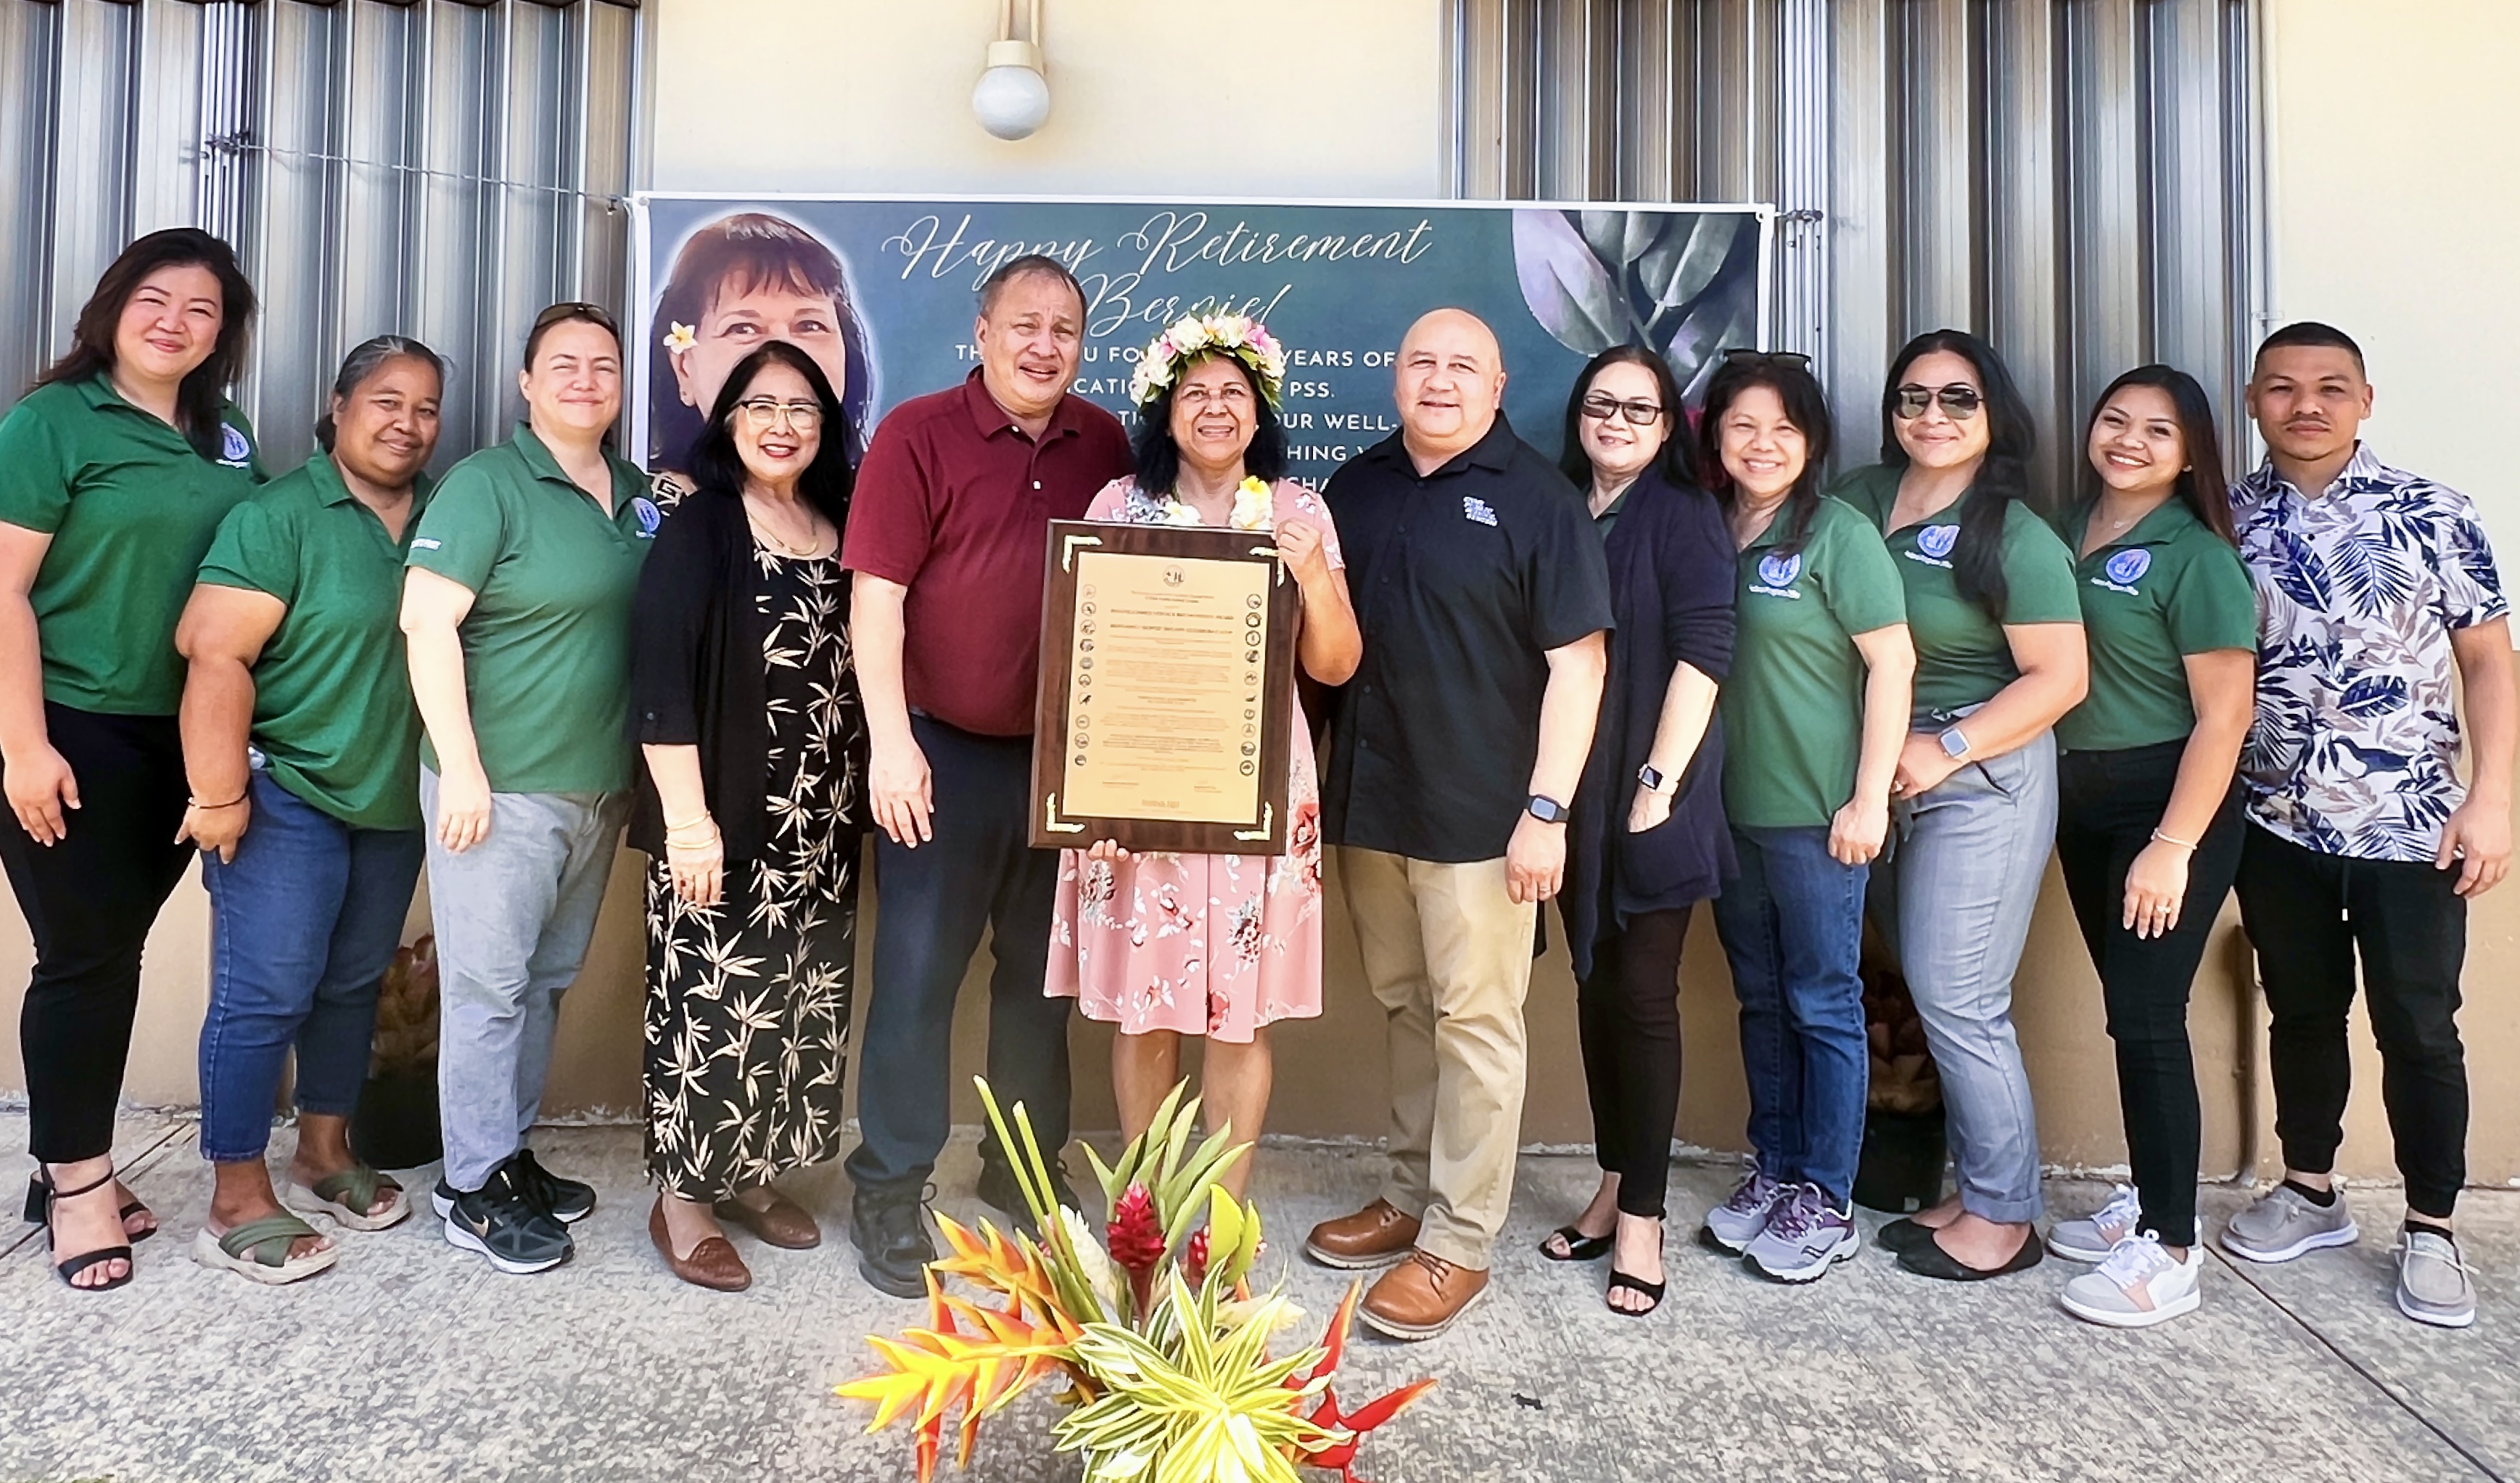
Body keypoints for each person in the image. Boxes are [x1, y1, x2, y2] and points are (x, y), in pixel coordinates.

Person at [1302, 308, 1612, 1342]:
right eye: (1419, 361)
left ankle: (1458, 1242)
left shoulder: (1539, 502)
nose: (1437, 380)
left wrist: (1545, 812)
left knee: (1478, 1027)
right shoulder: (1354, 490)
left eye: (1460, 366)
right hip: (1371, 804)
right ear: (1394, 377)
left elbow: (1580, 667)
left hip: (1485, 818)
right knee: (1403, 1006)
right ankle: (1404, 1197)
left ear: (1496, 382)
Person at [839, 254, 1132, 1297]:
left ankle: (1017, 1168)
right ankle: (887, 1184)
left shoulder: (1106, 441)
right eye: (1024, 324)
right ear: (982, 330)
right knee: (917, 981)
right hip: (938, 755)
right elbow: (875, 601)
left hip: (1061, 765)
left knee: (1038, 987)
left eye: (1063, 328)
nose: (1042, 345)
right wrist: (892, 744)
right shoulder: (916, 435)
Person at [2221, 321, 2513, 1331]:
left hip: (2410, 824)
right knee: (2300, 1013)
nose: (2306, 405)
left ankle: (2431, 1226)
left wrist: (2492, 798)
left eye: (2329, 387)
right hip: (2275, 820)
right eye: (2283, 388)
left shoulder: (2432, 510)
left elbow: (2486, 660)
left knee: (2418, 1028)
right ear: (2252, 400)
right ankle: (2308, 1188)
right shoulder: (2221, 516)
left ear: (2364, 400)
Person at [1045, 314, 1360, 1202]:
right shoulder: (1117, 508)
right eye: (1196, 392)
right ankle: (1143, 1216)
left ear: (1259, 412)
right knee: (1147, 1012)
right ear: (1164, 410)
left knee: (1238, 1017)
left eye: (1234, 392)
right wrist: (1092, 802)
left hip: (1258, 788)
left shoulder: (1299, 512)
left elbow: (1334, 664)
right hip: (1141, 786)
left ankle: (1219, 1220)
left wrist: (1312, 577)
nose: (1216, 408)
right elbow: (1081, 664)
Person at [0, 228, 263, 1291]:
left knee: (111, 953)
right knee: (85, 957)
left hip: (185, 735)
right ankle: (75, 1188)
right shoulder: (51, 422)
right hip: (76, 728)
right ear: (111, 306)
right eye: (155, 299)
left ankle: (64, 1156)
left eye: (201, 309)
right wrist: (22, 745)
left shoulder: (226, 432)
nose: (175, 322)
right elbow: (4, 590)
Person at [175, 336, 445, 1285]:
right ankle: (235, 1197)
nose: (405, 423)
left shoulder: (444, 522)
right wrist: (217, 795)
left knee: (350, 983)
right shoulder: (283, 514)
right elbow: (213, 651)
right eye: (385, 400)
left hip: (390, 800)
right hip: (285, 792)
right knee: (265, 993)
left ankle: (324, 1152)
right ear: (337, 409)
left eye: (424, 407)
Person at [401, 302, 659, 1275]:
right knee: (486, 988)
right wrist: (460, 765)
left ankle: (506, 1154)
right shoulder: (487, 486)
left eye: (604, 363)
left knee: (541, 984)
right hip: (498, 789)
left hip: (595, 790)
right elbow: (426, 627)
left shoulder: (632, 493)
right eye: (563, 363)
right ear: (525, 381)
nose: (586, 378)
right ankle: (470, 1186)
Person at [1832, 329, 2086, 1283]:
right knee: (1926, 994)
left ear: (1994, 415)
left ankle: (2004, 1217)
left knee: (1958, 998)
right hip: (1879, 772)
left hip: (1978, 775)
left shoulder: (2011, 531)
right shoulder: (1857, 499)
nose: (1930, 417)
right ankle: (1977, 1189)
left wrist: (1943, 748)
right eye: (1912, 398)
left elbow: (2059, 678)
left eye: (1956, 399)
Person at [630, 340, 865, 1292]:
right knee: (709, 1009)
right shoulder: (704, 527)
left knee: (796, 1008)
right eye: (761, 405)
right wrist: (686, 822)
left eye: (802, 409)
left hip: (824, 826)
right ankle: (683, 1200)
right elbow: (657, 678)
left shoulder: (839, 520)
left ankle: (754, 1172)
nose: (781, 425)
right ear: (727, 419)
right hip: (720, 822)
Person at [2041, 367, 2257, 1328]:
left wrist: (2171, 844)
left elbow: (2224, 718)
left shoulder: (2193, 554)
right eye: (2114, 420)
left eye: (2156, 430)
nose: (2127, 439)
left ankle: (2170, 1245)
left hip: (2163, 806)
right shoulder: (2064, 532)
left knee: (2146, 1014)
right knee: (2129, 1009)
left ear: (2189, 452)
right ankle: (2145, 1194)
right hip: (2079, 807)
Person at [1694, 353, 1915, 1286]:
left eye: (1784, 427)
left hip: (1819, 816)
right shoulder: (1710, 528)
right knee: (1761, 995)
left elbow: (1893, 666)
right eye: (1744, 424)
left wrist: (1868, 799)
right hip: (1727, 811)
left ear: (1813, 440)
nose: (1763, 443)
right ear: (1716, 434)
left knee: (1825, 1002)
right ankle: (1774, 1166)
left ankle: (1827, 1194)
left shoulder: (1836, 532)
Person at [1533, 345, 1733, 1317]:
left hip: (1654, 792)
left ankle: (1645, 1222)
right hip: (1574, 796)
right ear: (1578, 414)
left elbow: (1703, 655)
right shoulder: (1560, 506)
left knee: (1644, 1002)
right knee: (1595, 992)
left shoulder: (1683, 515)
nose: (1617, 421)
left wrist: (1657, 782)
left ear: (1666, 428)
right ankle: (1614, 1186)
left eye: (1640, 409)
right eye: (1602, 404)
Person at [648, 211, 875, 485]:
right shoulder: (655, 514)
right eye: (743, 328)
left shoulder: (874, 494)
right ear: (684, 368)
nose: (782, 354)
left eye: (809, 326)